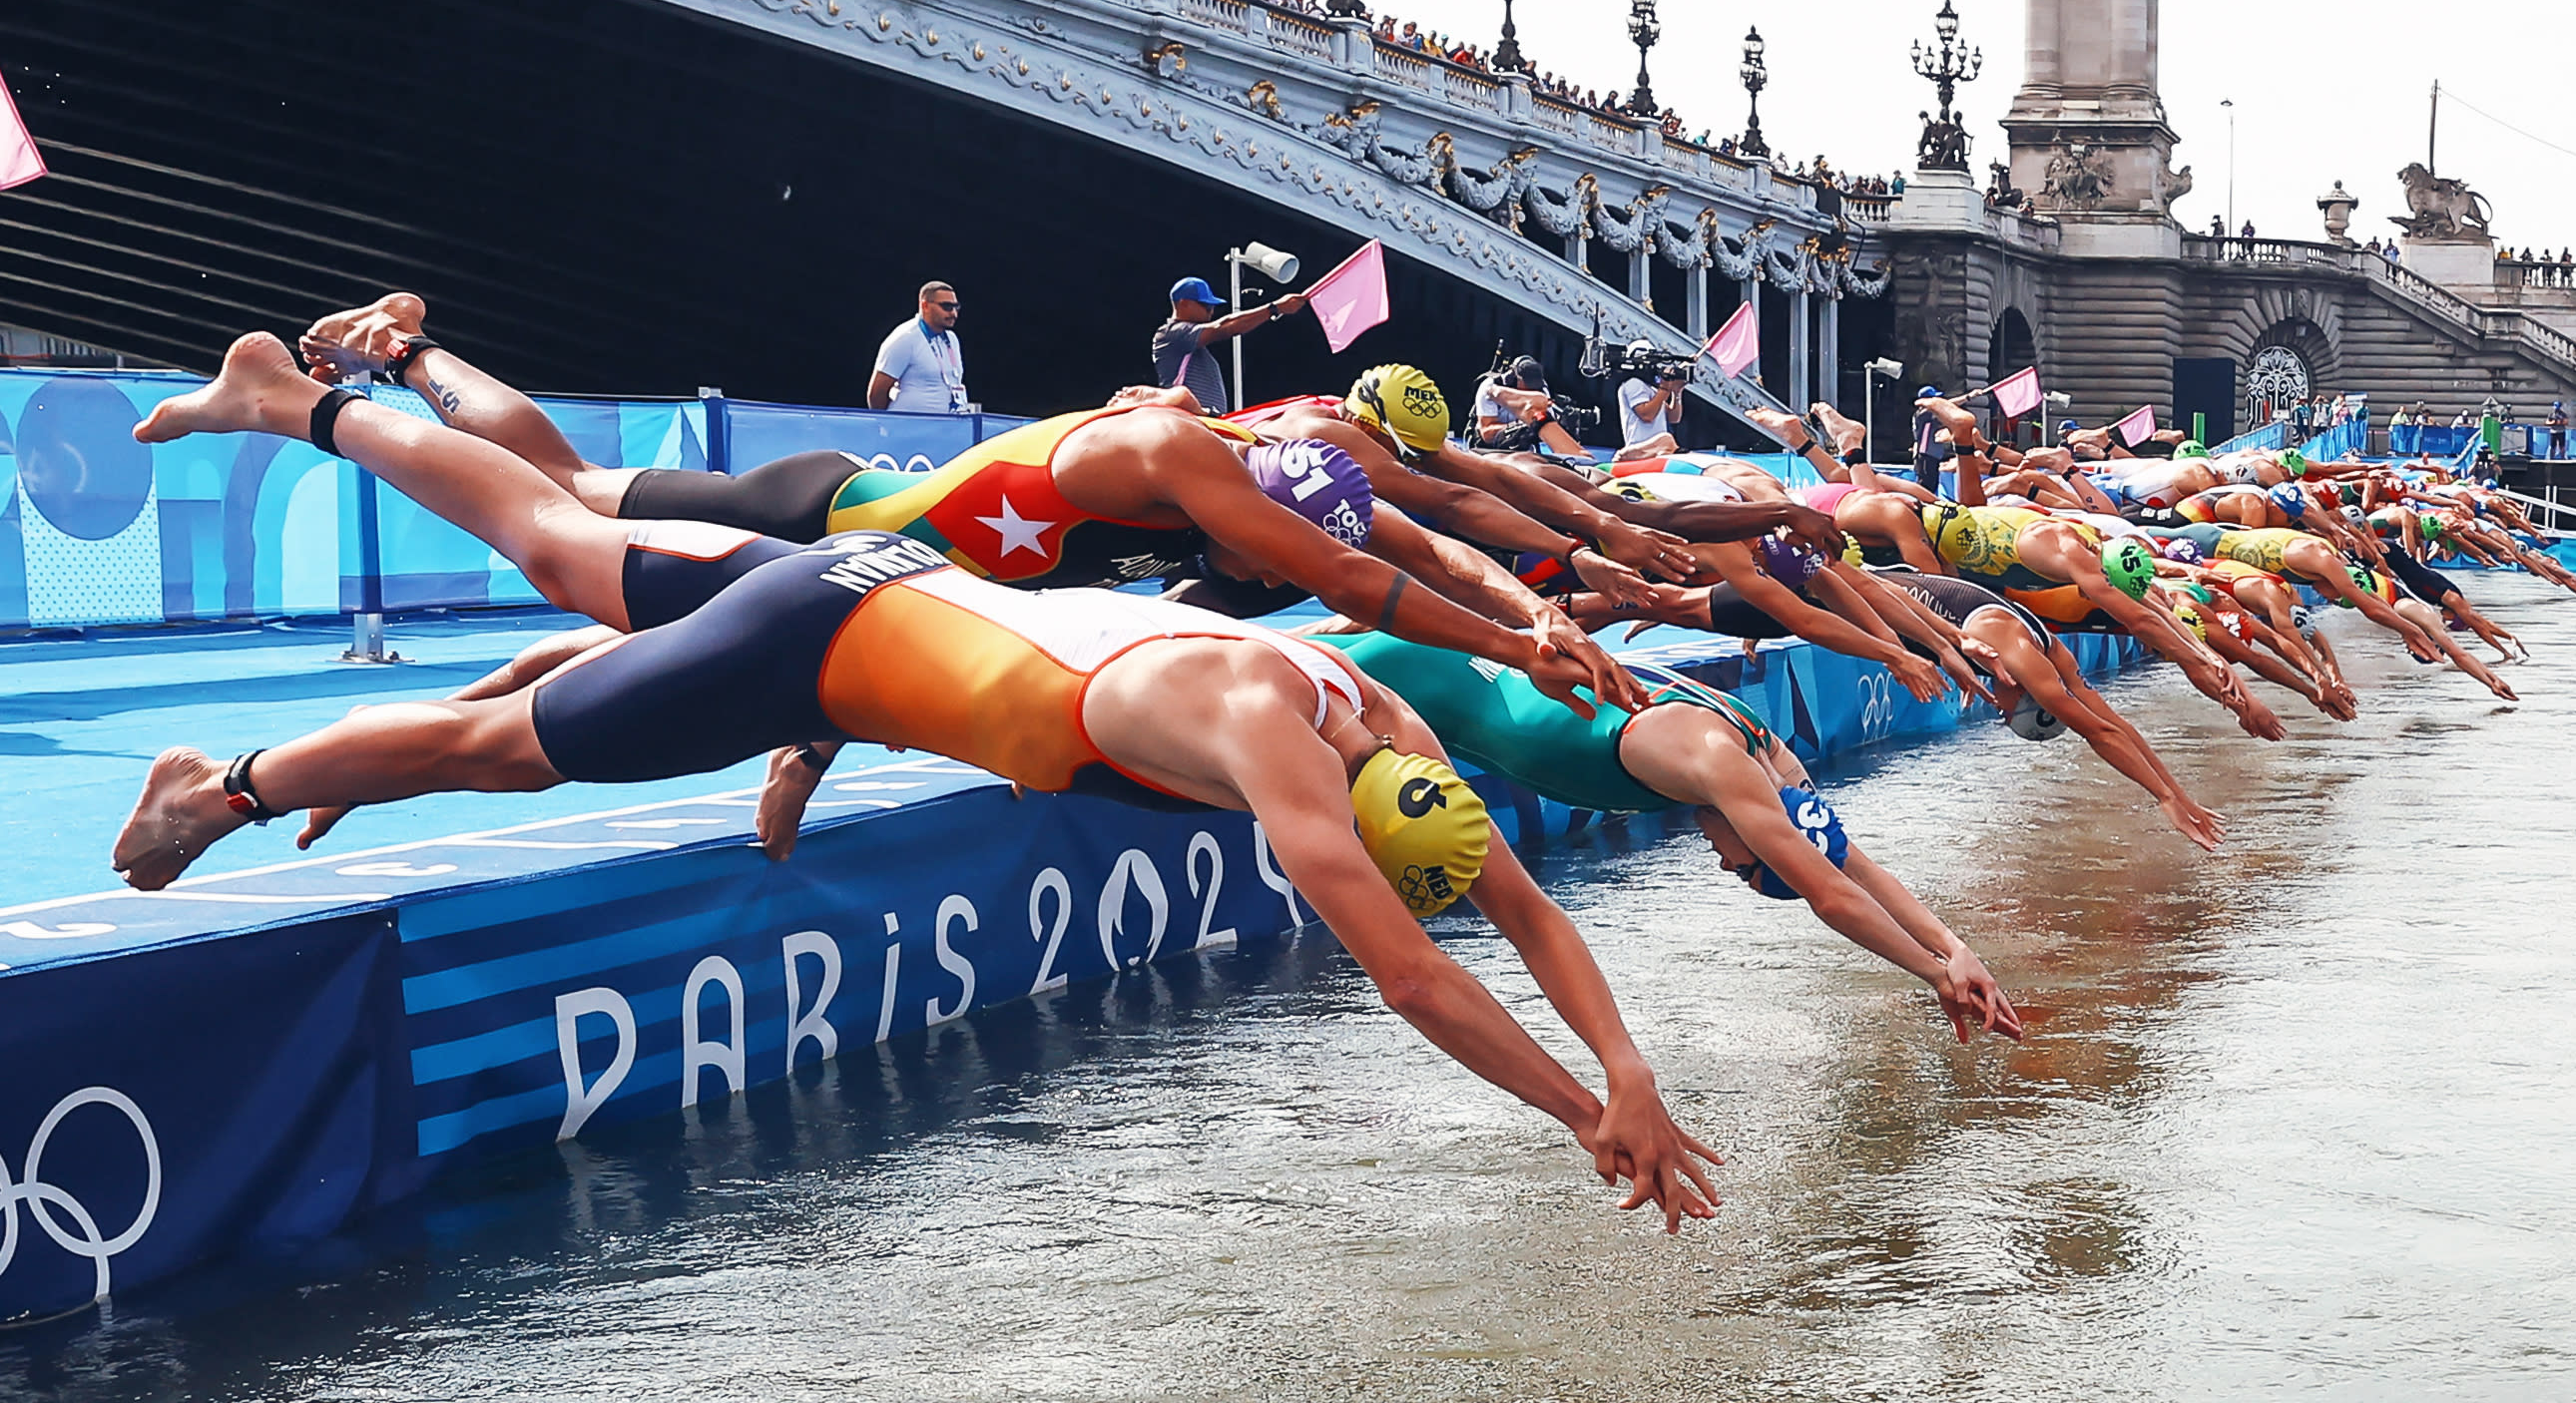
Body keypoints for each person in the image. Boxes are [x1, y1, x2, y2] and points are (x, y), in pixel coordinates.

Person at [113, 337, 1722, 1230]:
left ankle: (300, 400)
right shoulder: (1274, 744)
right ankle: (220, 787)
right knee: (497, 752)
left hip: (870, 584)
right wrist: (1583, 1109)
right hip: (816, 649)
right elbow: (1420, 971)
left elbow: (1502, 895)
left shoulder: (1367, 716)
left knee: (553, 539)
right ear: (1337, 810)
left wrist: (1629, 1070)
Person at [293, 297, 1639, 709]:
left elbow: (1411, 538)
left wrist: (1537, 604)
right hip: (835, 527)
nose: (1255, 563)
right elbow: (1356, 576)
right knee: (563, 518)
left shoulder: (1233, 449)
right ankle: (390, 365)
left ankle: (403, 359)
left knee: (587, 534)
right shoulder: (1182, 465)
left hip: (859, 524)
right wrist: (1528, 642)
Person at [1312, 635, 2020, 1042]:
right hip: (1401, 676)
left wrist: (1957, 947)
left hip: (1424, 677)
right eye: (1748, 871)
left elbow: (1849, 862)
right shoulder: (1722, 764)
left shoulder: (1768, 757)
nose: (1724, 866)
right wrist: (1932, 973)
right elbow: (1829, 893)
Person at [1152, 274, 1307, 416]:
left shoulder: (1187, 341)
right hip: (1188, 421)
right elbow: (1223, 327)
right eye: (1206, 306)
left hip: (1204, 421)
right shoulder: (1172, 333)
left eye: (1212, 307)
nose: (1211, 312)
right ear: (1184, 303)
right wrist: (1274, 308)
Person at [869, 280, 967, 413]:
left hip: (946, 427)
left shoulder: (952, 339)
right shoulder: (905, 338)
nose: (953, 313)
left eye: (956, 307)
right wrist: (888, 422)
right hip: (909, 428)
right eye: (947, 307)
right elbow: (877, 393)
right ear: (925, 305)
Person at [1613, 350, 1687, 460]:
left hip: (1657, 451)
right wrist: (1664, 389)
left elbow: (1673, 418)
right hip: (1640, 450)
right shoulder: (1633, 383)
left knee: (1667, 440)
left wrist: (1676, 393)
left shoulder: (1651, 389)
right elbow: (1647, 415)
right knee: (1666, 439)